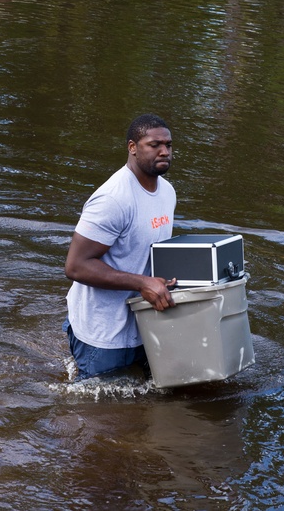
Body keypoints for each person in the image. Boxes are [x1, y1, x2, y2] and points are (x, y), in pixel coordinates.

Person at [63, 113, 178, 380]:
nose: (164, 151)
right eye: (154, 145)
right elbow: (76, 266)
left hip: (143, 325)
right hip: (102, 334)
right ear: (132, 148)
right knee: (98, 416)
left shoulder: (167, 192)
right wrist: (142, 283)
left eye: (168, 145)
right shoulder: (113, 199)